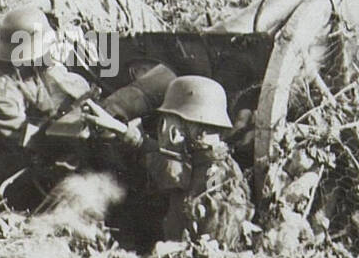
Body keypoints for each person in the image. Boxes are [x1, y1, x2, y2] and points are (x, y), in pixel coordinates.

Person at [0, 6, 94, 213]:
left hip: (12, 154)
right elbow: (36, 141)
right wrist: (74, 139)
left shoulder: (12, 54)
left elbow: (46, 76)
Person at [84, 74, 251, 248]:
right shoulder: (205, 163)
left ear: (180, 129)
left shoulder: (215, 184)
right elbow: (160, 155)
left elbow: (206, 255)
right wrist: (121, 129)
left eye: (169, 121)